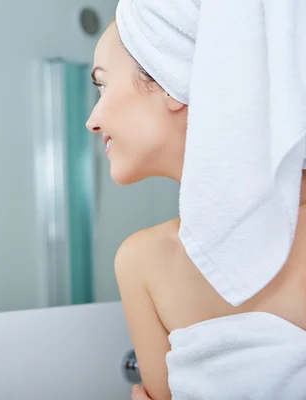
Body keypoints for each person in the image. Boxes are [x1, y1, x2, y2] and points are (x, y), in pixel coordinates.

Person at [86, 1, 306, 399]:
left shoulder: (148, 263)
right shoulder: (141, 264)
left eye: (102, 84)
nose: (92, 120)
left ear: (169, 81)